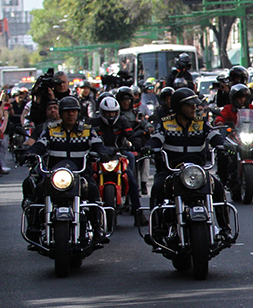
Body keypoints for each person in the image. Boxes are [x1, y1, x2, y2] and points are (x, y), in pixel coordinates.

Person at [145, 87, 233, 243]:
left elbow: (214, 135)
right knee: (158, 187)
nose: (194, 108)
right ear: (179, 107)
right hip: (172, 171)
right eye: (190, 105)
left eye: (195, 105)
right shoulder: (166, 124)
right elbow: (156, 138)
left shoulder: (201, 123)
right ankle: (156, 230)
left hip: (197, 171)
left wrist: (225, 144)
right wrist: (149, 147)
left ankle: (225, 229)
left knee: (218, 187)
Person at [25, 96, 114, 244]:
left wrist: (103, 153)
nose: (70, 114)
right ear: (61, 113)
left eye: (73, 111)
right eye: (67, 111)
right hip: (55, 175)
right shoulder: (51, 130)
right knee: (39, 190)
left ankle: (98, 228)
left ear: (78, 112)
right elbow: (40, 144)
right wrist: (30, 153)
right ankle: (34, 226)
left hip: (80, 175)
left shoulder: (87, 130)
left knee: (92, 191)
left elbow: (98, 144)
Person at [90, 96, 145, 225]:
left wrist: (136, 143)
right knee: (88, 179)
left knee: (130, 178)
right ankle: (87, 213)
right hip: (99, 155)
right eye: (107, 113)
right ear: (101, 111)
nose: (110, 115)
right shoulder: (93, 123)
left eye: (113, 113)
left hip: (118, 153)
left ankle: (138, 213)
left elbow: (131, 135)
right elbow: (87, 136)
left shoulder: (122, 121)